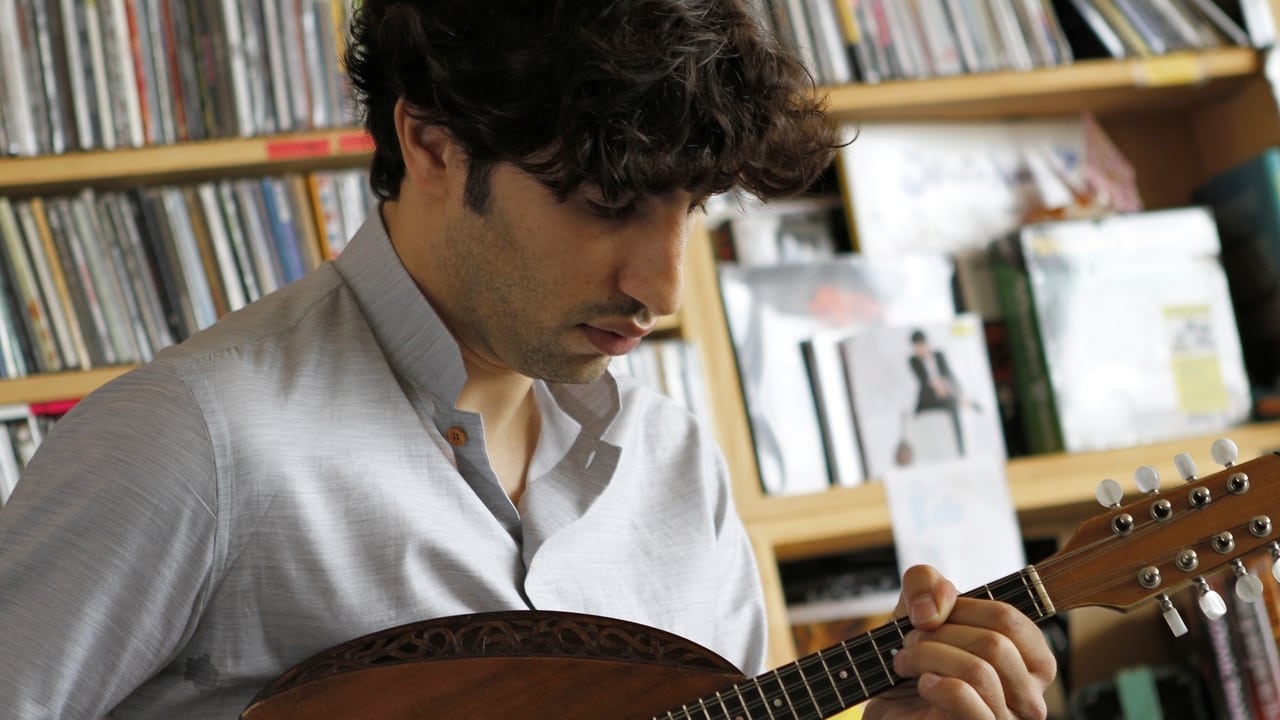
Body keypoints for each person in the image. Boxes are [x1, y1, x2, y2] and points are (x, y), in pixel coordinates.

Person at [0, 1, 1056, 718]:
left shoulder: (675, 471)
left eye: (691, 209)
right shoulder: (196, 443)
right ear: (430, 142)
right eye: (605, 204)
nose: (664, 288)